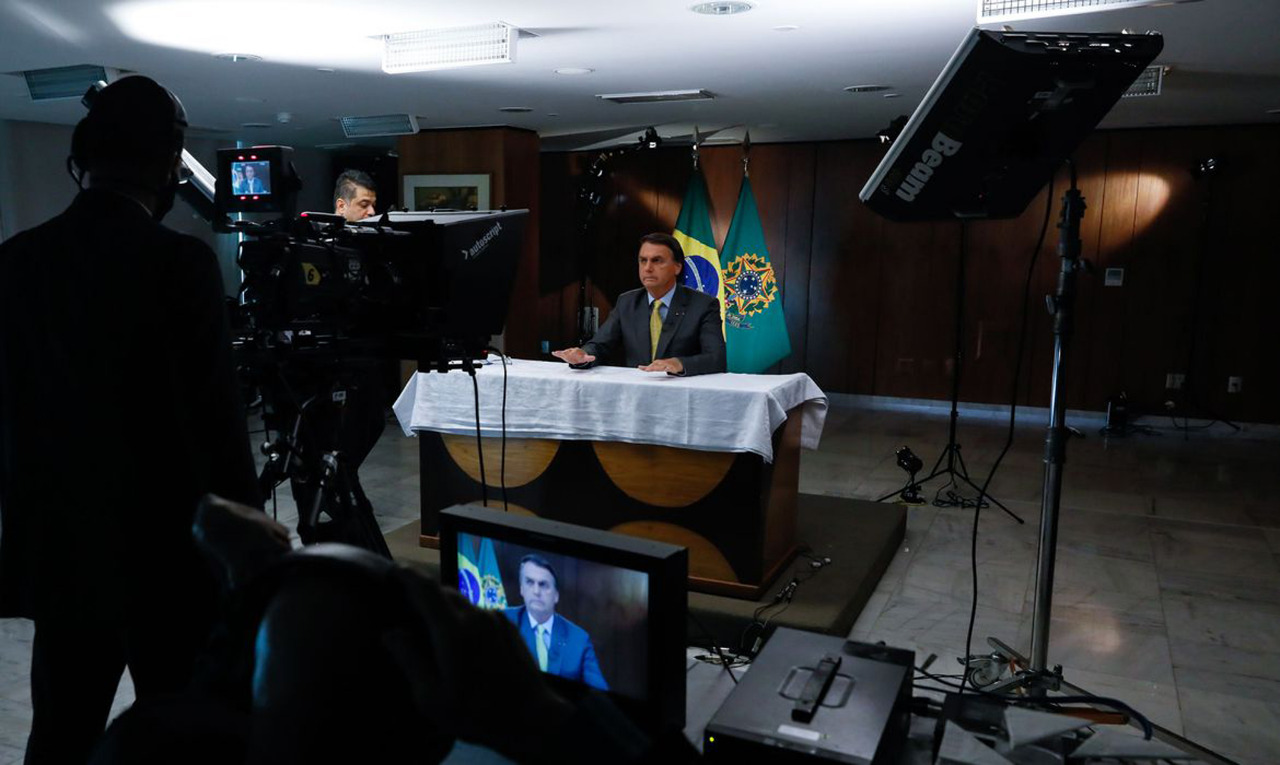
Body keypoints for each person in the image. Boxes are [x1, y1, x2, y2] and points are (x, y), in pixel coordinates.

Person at [0, 75, 281, 764]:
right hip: (167, 558)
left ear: (81, 159)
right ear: (168, 167)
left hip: (63, 553)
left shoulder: (18, 260)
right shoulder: (179, 263)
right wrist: (252, 544)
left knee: (59, 733)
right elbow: (215, 423)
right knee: (180, 736)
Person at [553, 232, 726, 376]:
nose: (647, 268)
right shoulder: (627, 302)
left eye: (657, 261)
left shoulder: (703, 305)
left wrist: (679, 364)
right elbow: (600, 345)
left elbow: (716, 358)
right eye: (643, 260)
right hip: (637, 393)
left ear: (677, 267)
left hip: (682, 393)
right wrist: (583, 355)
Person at [503, 554, 609, 691]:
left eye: (543, 585)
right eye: (529, 582)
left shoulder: (579, 640)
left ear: (556, 596)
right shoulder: (504, 620)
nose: (536, 591)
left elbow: (600, 694)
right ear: (521, 589)